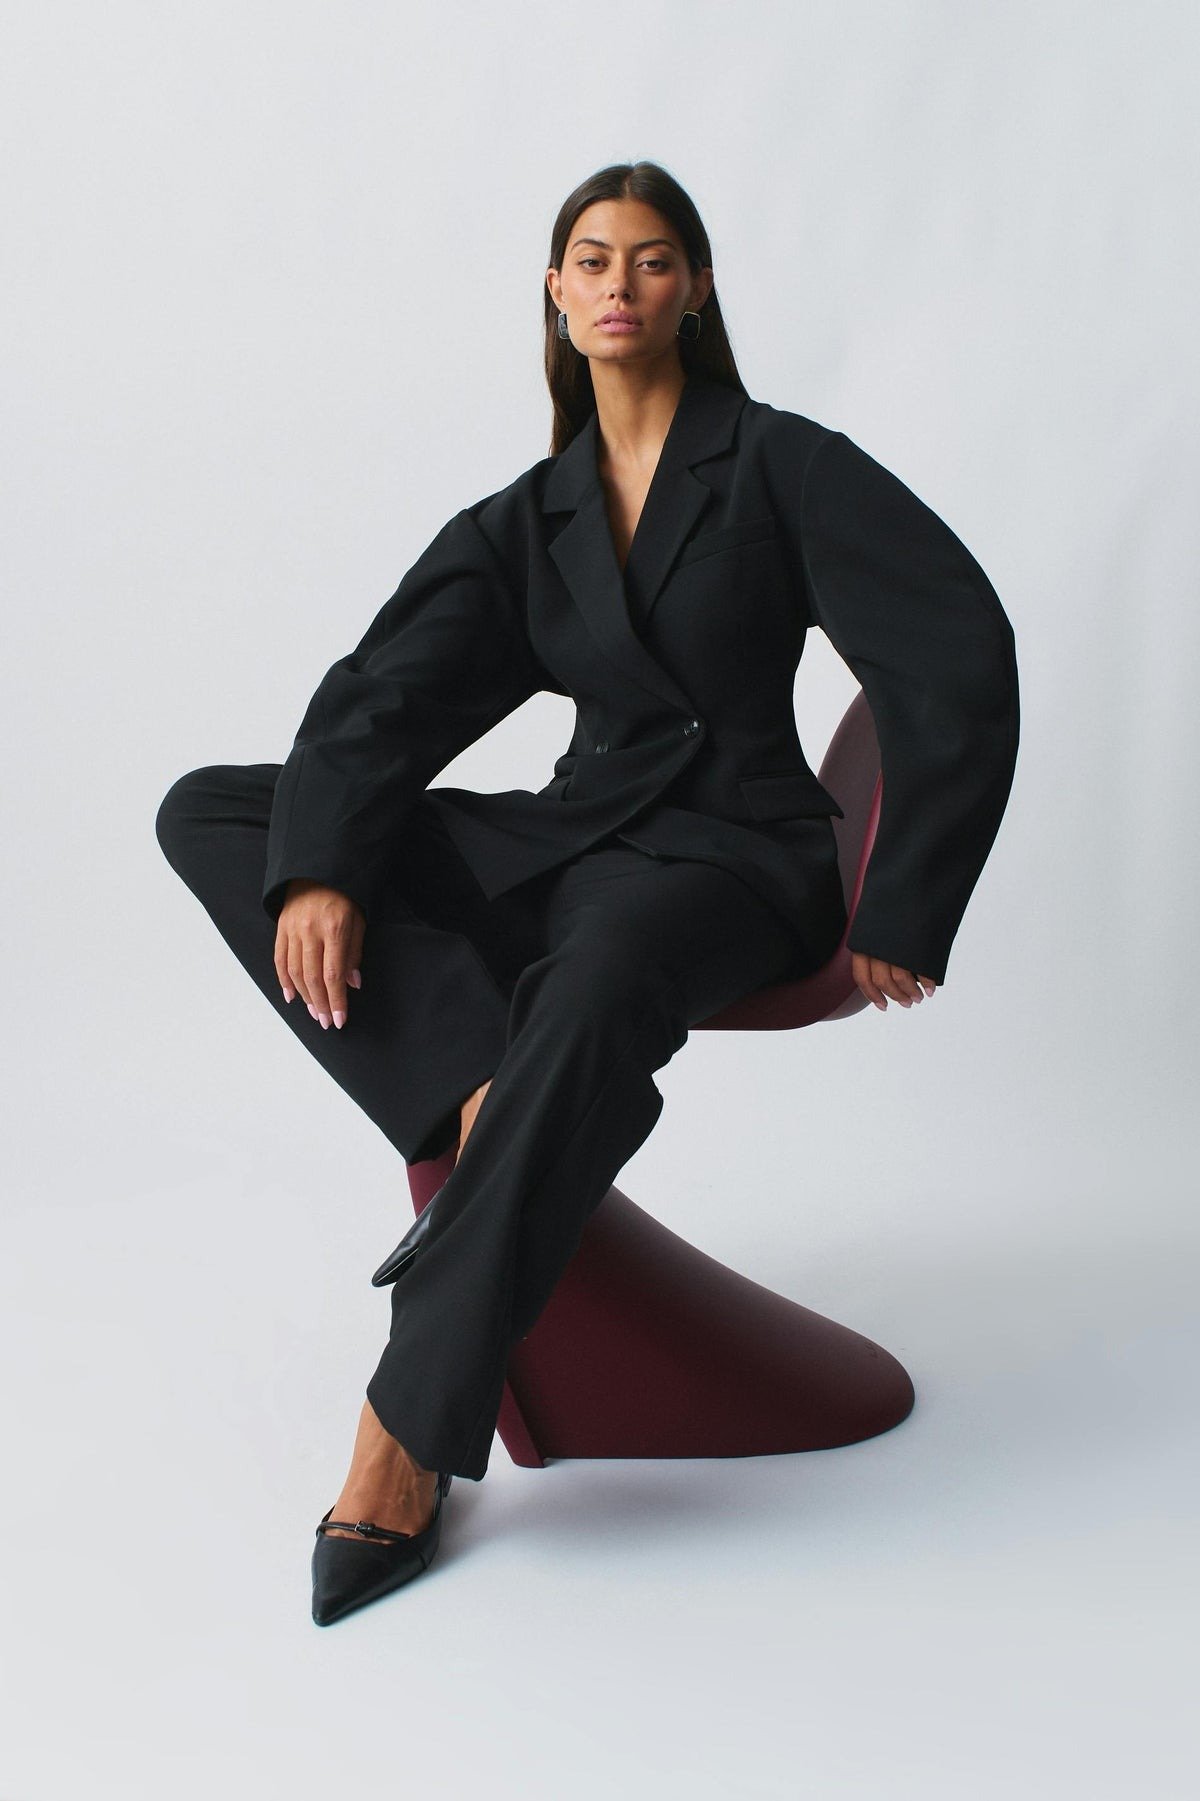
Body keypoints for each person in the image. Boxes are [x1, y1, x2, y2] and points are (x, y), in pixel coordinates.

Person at [155, 160, 1019, 1626]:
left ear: (696, 291)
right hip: (574, 832)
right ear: (557, 292)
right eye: (595, 259)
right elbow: (385, 695)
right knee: (219, 811)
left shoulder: (779, 464)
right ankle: (479, 1086)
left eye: (655, 258)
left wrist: (905, 904)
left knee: (597, 973)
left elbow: (956, 645)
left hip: (734, 855)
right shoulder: (533, 515)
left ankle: (403, 1436)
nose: (622, 283)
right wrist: (323, 867)